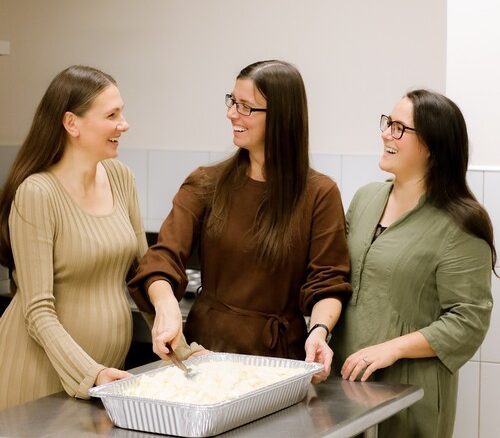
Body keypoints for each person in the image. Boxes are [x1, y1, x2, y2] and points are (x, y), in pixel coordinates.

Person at [128, 60, 352, 382]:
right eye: (232, 101)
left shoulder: (319, 193)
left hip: (278, 362)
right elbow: (163, 257)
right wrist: (166, 306)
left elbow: (327, 281)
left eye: (245, 106)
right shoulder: (205, 183)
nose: (231, 113)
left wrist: (319, 331)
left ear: (281, 117)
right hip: (205, 354)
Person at [0, 65, 200, 410]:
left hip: (101, 374)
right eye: (112, 115)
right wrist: (91, 374)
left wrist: (184, 352)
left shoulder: (120, 177)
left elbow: (142, 276)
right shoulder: (37, 193)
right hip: (39, 375)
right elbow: (37, 311)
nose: (124, 124)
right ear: (71, 123)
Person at [331, 89, 496, 438]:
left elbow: (469, 320)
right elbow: (338, 276)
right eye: (387, 123)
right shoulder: (365, 198)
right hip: (344, 385)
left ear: (432, 146)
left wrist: (393, 348)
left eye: (399, 128)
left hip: (410, 394)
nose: (385, 134)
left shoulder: (460, 223)